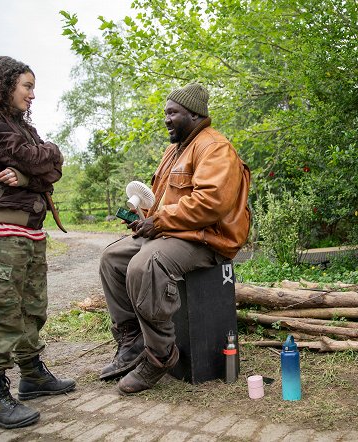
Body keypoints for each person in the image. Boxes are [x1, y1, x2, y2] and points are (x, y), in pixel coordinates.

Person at [99, 82, 251, 395]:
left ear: (195, 114)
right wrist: (145, 220)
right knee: (112, 259)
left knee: (146, 264)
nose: (166, 118)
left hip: (208, 239)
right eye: (166, 112)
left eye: (173, 112)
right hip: (177, 232)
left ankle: (160, 355)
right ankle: (133, 341)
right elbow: (162, 200)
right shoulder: (174, 150)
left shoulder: (215, 147)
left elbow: (212, 203)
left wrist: (162, 221)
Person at [0, 56, 75, 429]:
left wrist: (32, 176)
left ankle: (32, 375)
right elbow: (33, 158)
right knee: (2, 314)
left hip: (29, 232)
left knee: (32, 309)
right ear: (5, 83)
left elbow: (52, 169)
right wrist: (45, 161)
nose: (32, 94)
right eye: (27, 86)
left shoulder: (21, 126)